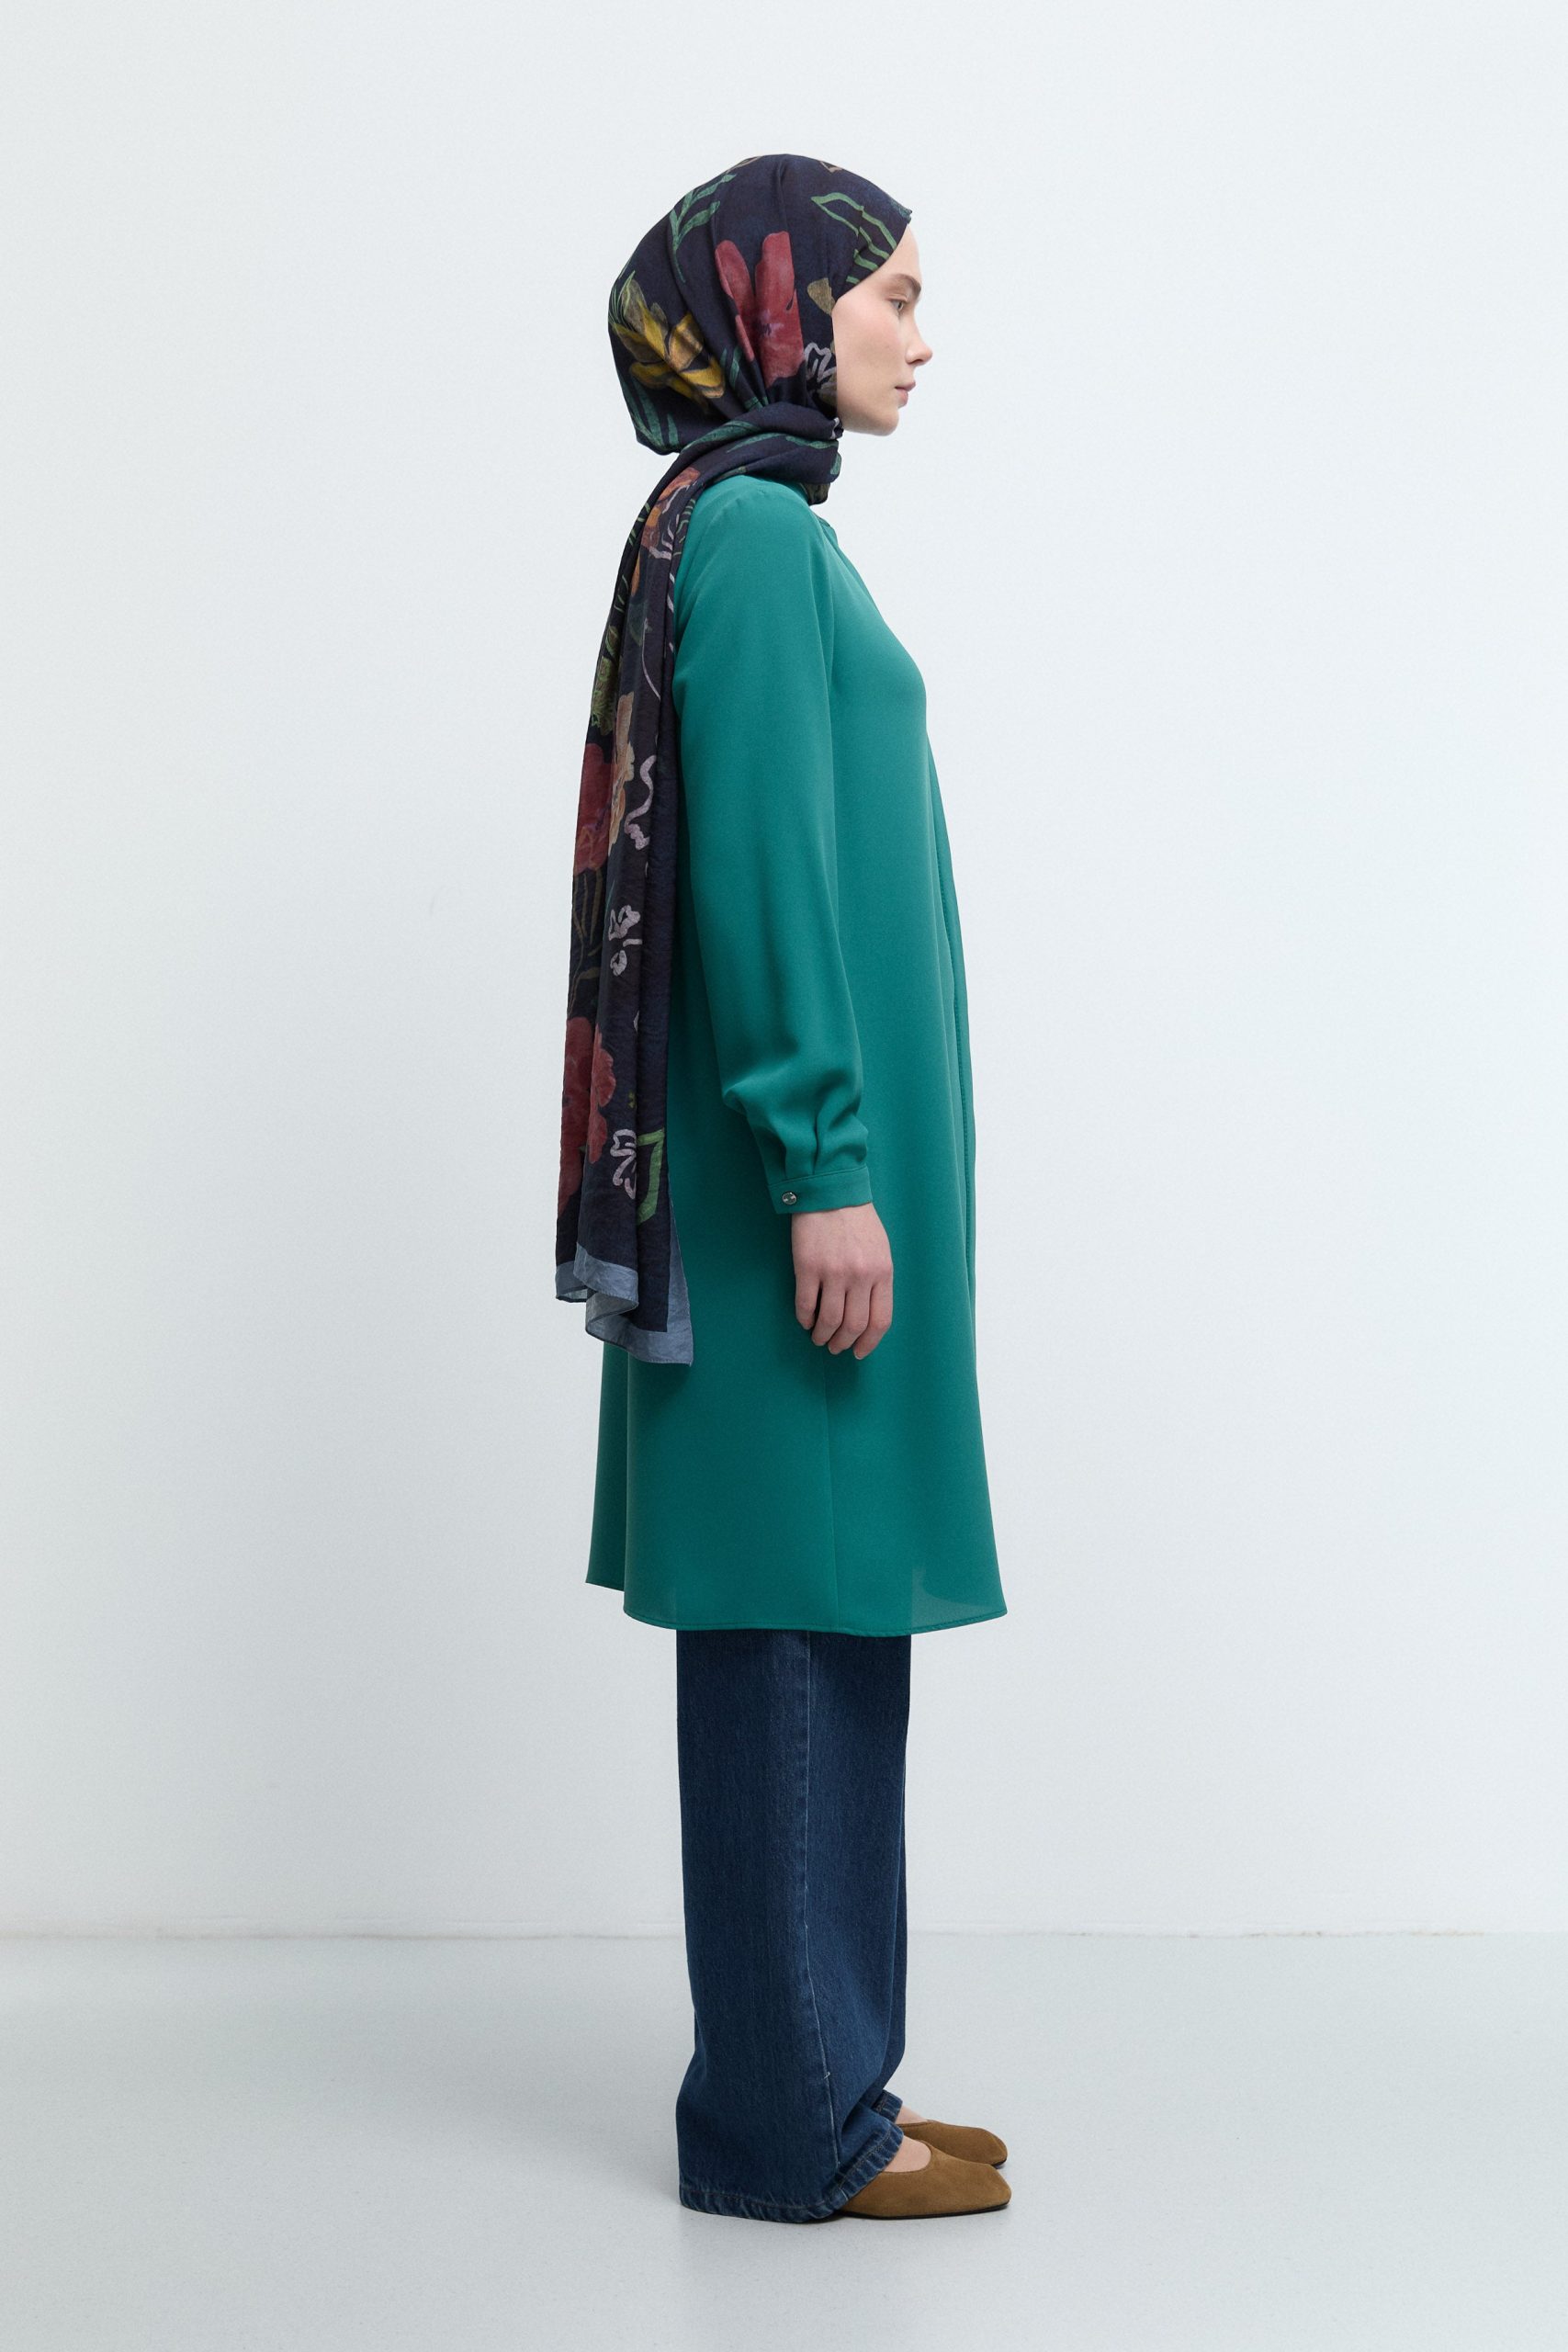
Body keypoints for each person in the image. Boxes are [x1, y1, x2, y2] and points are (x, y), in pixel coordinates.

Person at [557, 155, 1010, 2222]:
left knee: (829, 1618)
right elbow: (757, 867)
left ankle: (833, 2080)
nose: (920, 334)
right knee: (783, 1634)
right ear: (779, 308)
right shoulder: (745, 535)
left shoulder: (762, 527)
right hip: (783, 1205)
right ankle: (785, 2121)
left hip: (807, 1194)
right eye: (889, 293)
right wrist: (824, 1162)